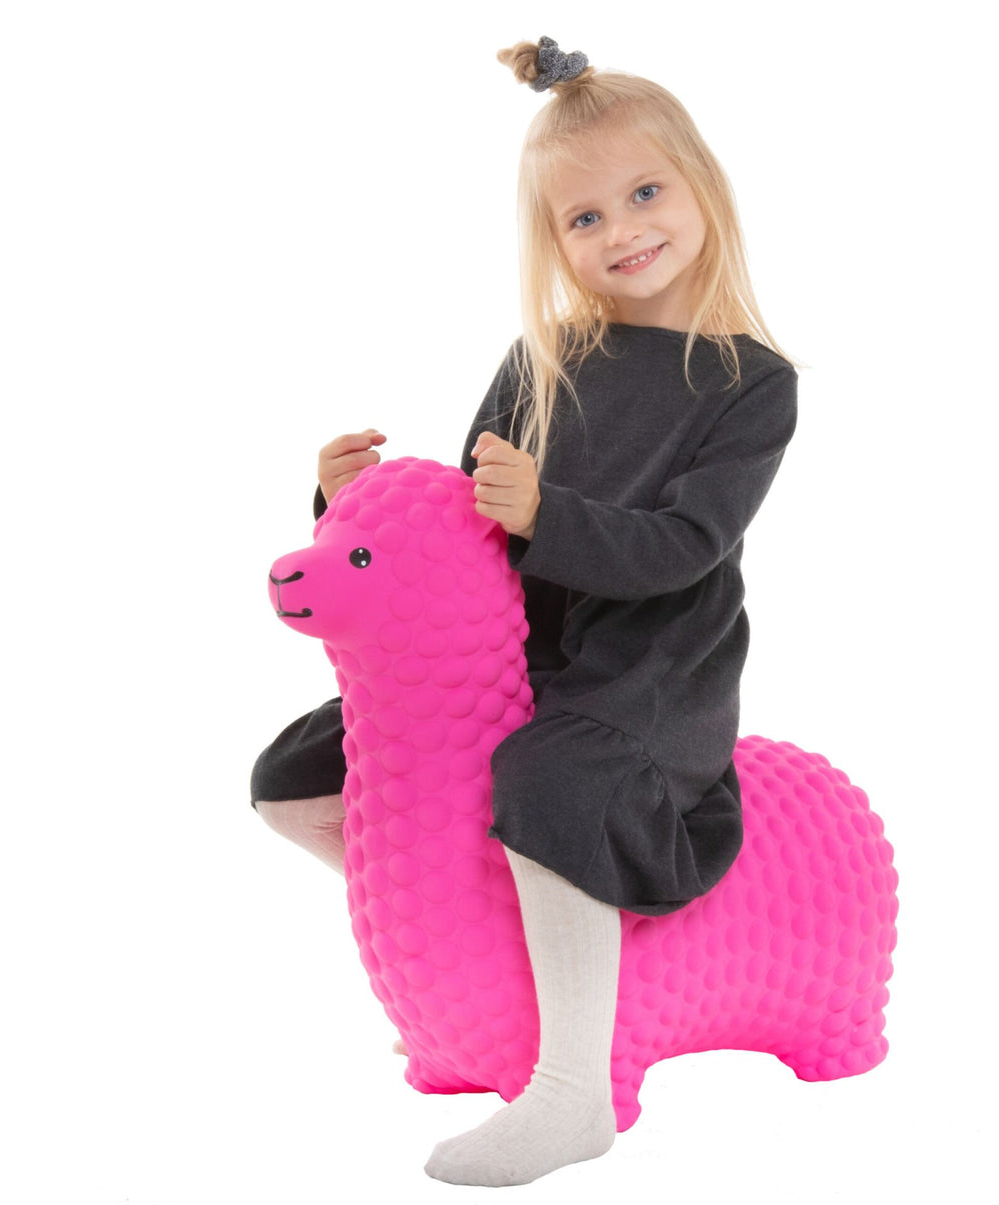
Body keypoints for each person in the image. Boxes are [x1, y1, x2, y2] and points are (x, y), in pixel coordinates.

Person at [251, 35, 799, 1187]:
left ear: (700, 186)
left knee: (554, 777)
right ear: (554, 243)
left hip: (644, 680)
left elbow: (687, 546)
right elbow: (466, 516)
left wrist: (550, 511)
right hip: (519, 657)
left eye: (645, 192)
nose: (623, 230)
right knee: (300, 777)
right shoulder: (544, 355)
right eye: (584, 218)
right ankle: (473, 981)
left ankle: (572, 1089)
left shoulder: (749, 381)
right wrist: (343, 502)